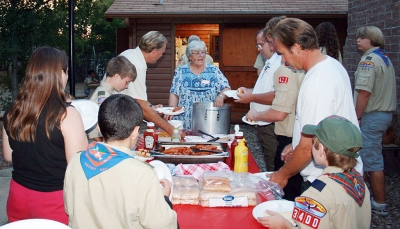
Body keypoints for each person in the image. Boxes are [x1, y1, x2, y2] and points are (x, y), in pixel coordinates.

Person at [268, 18, 363, 192]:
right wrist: (295, 144)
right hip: (338, 174)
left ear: (296, 47)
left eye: (282, 54)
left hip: (323, 180)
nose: (283, 61)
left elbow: (307, 147)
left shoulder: (318, 83)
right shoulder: (330, 64)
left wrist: (281, 176)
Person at [2, 46, 88, 224]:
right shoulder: (66, 114)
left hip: (18, 196)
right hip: (54, 201)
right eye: (66, 72)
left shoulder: (13, 110)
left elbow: (9, 156)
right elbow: (78, 165)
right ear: (60, 73)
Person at [64, 94, 177, 228]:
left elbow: (69, 208)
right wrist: (164, 199)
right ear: (135, 132)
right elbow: (162, 225)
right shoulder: (142, 174)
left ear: (99, 127)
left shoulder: (76, 161)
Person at [258, 115, 371, 229]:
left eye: (313, 142)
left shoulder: (314, 195)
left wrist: (284, 226)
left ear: (321, 149)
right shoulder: (359, 181)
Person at [246, 16, 305, 200]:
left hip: (286, 132)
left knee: (285, 184)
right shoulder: (273, 63)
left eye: (267, 42)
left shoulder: (284, 67)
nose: (269, 47)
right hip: (288, 134)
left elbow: (279, 108)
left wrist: (256, 114)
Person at [353, 25, 396, 216]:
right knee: (370, 157)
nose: (358, 40)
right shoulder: (384, 58)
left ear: (372, 39)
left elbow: (364, 93)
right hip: (384, 115)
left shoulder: (368, 61)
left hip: (372, 115)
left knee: (371, 160)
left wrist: (356, 116)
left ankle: (379, 204)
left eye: (362, 38)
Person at [117, 31, 182, 137]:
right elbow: (142, 106)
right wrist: (170, 130)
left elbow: (134, 98)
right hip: (120, 120)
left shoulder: (130, 54)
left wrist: (151, 107)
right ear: (154, 51)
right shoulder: (137, 65)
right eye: (162, 52)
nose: (162, 55)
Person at [236, 29, 281, 172]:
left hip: (271, 123)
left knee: (274, 166)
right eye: (258, 46)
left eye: (261, 45)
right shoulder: (268, 62)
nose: (259, 49)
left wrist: (252, 97)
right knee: (269, 164)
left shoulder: (279, 63)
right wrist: (249, 91)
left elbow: (278, 96)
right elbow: (264, 90)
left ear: (271, 42)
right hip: (262, 123)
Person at [169, 40, 230, 131]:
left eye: (203, 52)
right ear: (189, 56)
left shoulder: (213, 70)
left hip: (208, 120)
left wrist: (221, 96)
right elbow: (174, 93)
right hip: (184, 120)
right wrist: (171, 111)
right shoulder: (181, 71)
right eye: (197, 53)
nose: (201, 55)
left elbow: (226, 87)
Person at [88, 56, 137, 142]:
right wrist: (104, 146)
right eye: (127, 82)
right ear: (117, 76)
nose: (127, 86)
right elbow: (94, 126)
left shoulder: (107, 93)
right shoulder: (103, 95)